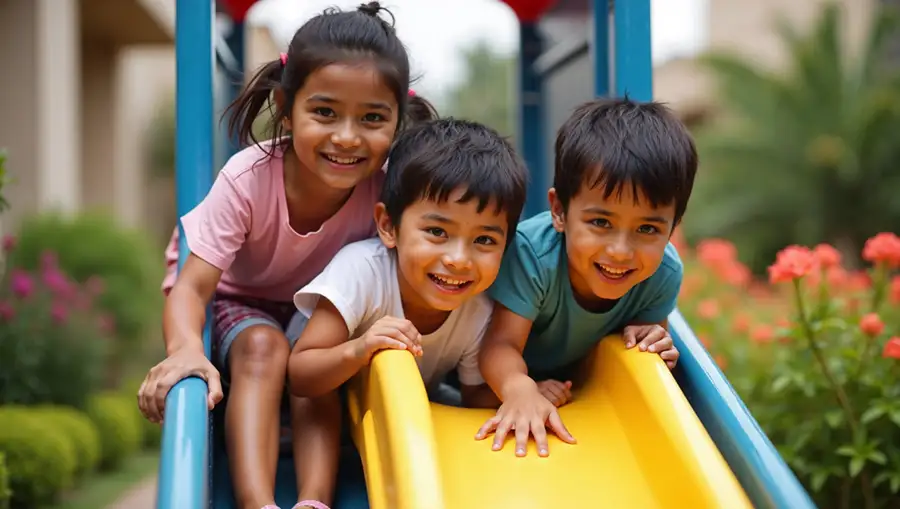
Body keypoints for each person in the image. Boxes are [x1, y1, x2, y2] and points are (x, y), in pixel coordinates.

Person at [136, 3, 437, 509]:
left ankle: (313, 500)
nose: (346, 136)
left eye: (372, 119)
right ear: (285, 105)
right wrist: (186, 347)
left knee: (315, 358)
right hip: (242, 297)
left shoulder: (388, 189)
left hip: (320, 310)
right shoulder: (249, 178)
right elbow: (191, 287)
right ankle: (257, 501)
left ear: (397, 122)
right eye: (324, 112)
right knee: (264, 347)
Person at [285, 118, 529, 505]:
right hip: (320, 393)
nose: (458, 259)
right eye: (437, 232)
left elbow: (473, 396)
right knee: (319, 397)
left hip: (392, 419)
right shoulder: (361, 271)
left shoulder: (479, 311)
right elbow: (300, 374)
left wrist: (520, 396)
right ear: (388, 226)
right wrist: (360, 348)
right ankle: (313, 497)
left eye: (484, 239)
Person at [474, 97, 698, 459]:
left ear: (673, 227)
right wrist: (521, 389)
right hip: (490, 381)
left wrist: (655, 343)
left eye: (647, 228)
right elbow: (500, 346)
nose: (621, 251)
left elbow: (636, 354)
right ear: (559, 211)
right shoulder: (533, 256)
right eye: (601, 223)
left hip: (572, 384)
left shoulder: (662, 273)